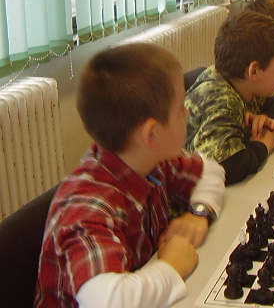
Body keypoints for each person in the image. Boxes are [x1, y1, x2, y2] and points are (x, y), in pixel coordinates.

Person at [35, 43, 226, 308]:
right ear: (151, 135)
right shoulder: (87, 210)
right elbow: (107, 302)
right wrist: (171, 267)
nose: (188, 113)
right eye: (180, 107)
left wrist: (198, 213)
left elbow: (211, 169)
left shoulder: (152, 160)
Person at [184, 10, 274, 185]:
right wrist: (263, 146)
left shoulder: (244, 83)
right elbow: (225, 165)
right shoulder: (221, 99)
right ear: (254, 71)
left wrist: (271, 122)